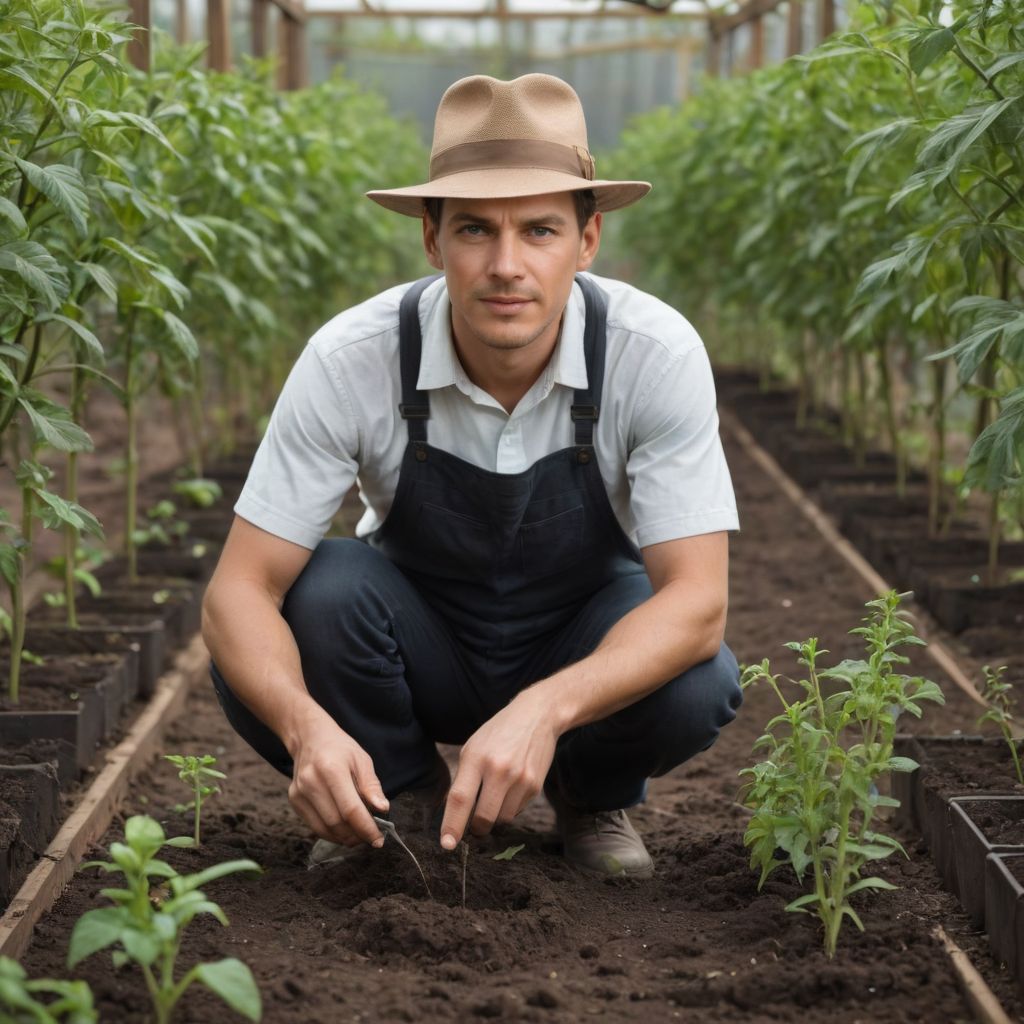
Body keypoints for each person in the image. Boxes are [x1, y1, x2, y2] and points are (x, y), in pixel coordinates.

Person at [202, 73, 742, 880]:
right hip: (423, 641)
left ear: (588, 241)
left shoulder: (652, 354)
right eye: (475, 231)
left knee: (698, 675)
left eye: (540, 231)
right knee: (323, 594)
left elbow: (698, 600)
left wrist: (545, 709)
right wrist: (304, 728)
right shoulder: (353, 358)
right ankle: (397, 794)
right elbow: (235, 594)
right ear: (432, 238)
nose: (506, 265)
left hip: (578, 635)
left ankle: (592, 795)